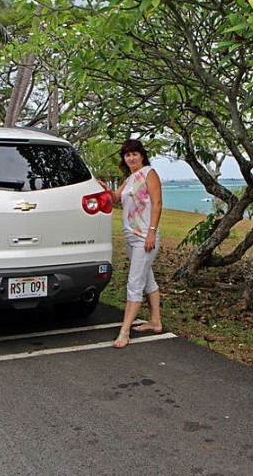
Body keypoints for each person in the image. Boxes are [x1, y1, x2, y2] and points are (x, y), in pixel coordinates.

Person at [98, 139, 163, 348]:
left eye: (134, 154)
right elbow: (116, 198)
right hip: (130, 236)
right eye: (127, 155)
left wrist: (151, 232)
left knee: (134, 283)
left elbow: (158, 203)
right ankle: (155, 321)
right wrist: (107, 189)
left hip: (145, 236)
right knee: (147, 279)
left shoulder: (149, 173)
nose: (131, 158)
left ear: (142, 155)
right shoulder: (131, 178)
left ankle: (124, 331)